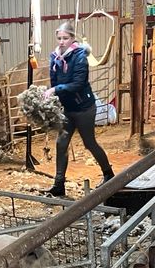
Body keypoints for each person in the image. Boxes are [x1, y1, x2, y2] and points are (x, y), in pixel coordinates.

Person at [43, 21, 114, 198]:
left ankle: (109, 175)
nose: (61, 41)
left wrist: (55, 90)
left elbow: (77, 83)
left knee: (89, 143)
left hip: (84, 107)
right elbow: (54, 81)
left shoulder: (80, 56)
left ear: (72, 38)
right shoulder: (55, 57)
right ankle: (59, 184)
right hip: (67, 108)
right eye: (59, 38)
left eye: (65, 38)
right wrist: (52, 96)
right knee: (61, 143)